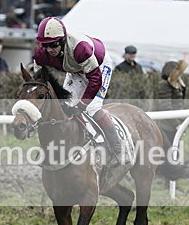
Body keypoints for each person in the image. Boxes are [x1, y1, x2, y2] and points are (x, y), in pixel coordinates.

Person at [33, 16, 126, 164]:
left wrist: (82, 104)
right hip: (76, 70)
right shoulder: (40, 53)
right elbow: (38, 80)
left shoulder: (80, 48)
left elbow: (96, 80)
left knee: (92, 108)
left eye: (53, 44)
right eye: (46, 45)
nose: (49, 49)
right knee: (64, 106)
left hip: (99, 67)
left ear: (62, 40)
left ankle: (118, 149)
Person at [157, 60, 187, 147]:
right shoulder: (165, 85)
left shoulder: (175, 84)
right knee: (169, 151)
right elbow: (165, 106)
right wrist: (176, 124)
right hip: (168, 125)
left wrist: (183, 88)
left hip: (175, 121)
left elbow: (180, 101)